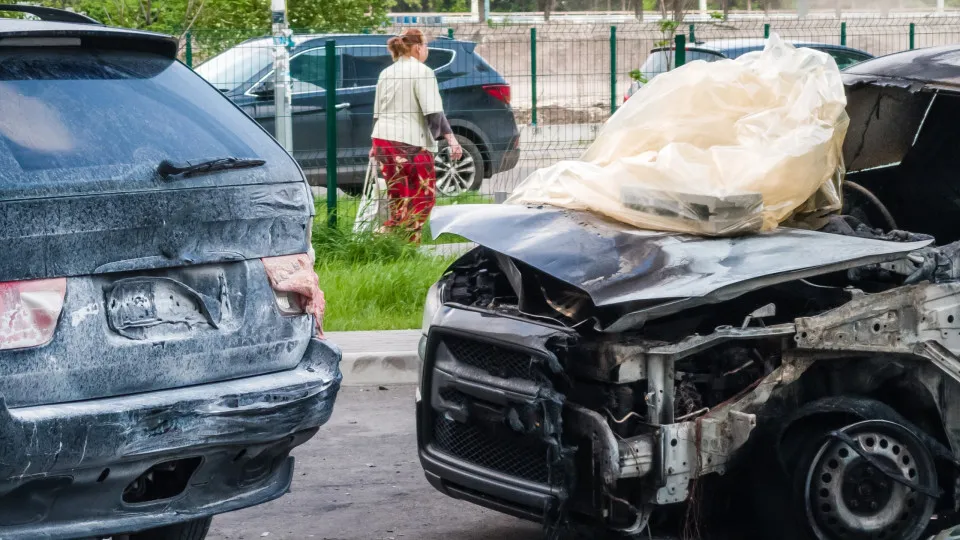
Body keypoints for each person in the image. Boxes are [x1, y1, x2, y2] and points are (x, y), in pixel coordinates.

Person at [369, 29, 462, 243]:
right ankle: (402, 240)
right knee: (423, 197)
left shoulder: (386, 73)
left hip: (382, 140)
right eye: (426, 45)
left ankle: (394, 242)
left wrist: (374, 146)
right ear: (418, 47)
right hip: (409, 142)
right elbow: (433, 111)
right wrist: (451, 139)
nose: (427, 50)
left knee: (398, 197)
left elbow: (377, 112)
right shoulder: (422, 71)